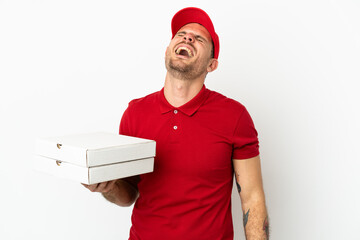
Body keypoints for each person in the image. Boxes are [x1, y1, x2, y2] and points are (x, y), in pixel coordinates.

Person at [83, 7, 269, 240]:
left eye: (199, 38)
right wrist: (108, 187)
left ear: (211, 64)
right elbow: (128, 193)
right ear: (167, 52)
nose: (187, 37)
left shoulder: (235, 116)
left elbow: (252, 198)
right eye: (181, 34)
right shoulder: (135, 113)